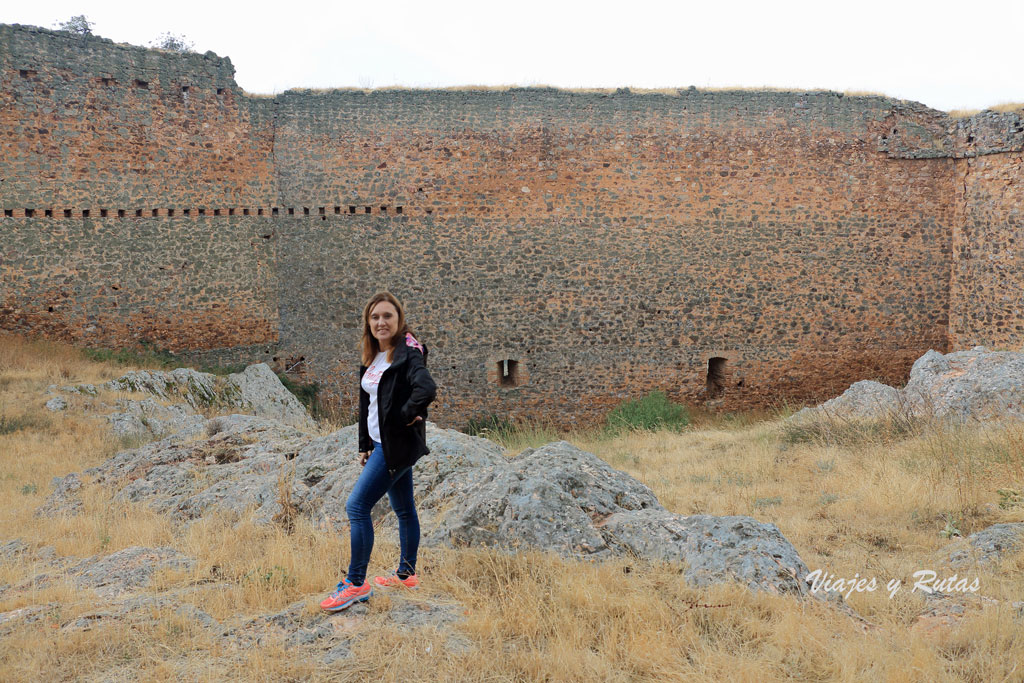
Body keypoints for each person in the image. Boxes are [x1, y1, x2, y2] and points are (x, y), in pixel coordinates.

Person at [321, 292, 437, 612]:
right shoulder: (374, 356)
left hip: (396, 445)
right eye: (374, 318)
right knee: (404, 509)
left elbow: (425, 387)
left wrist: (408, 413)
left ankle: (356, 583)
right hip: (382, 444)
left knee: (357, 507)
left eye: (387, 316)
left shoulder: (408, 351)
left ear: (399, 320)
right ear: (368, 324)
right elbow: (368, 405)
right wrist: (365, 445)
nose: (380, 322)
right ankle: (406, 575)